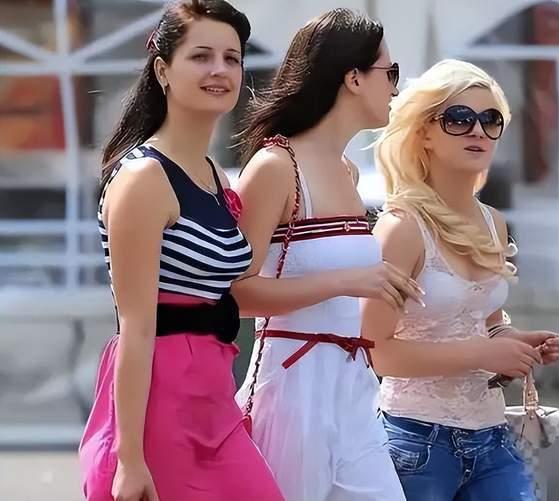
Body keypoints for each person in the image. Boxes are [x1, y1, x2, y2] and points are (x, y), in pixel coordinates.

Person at [78, 2, 283, 500]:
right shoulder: (144, 178)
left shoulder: (216, 177)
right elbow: (135, 327)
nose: (220, 70)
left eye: (232, 58)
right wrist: (129, 458)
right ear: (163, 71)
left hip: (215, 392)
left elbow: (239, 282)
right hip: (159, 400)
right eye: (201, 56)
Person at [233, 8, 421, 501]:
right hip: (292, 387)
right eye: (389, 72)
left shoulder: (346, 171)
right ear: (353, 78)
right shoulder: (275, 166)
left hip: (352, 384)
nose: (395, 87)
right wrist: (348, 282)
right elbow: (236, 294)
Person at [362, 59, 559, 501]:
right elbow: (374, 352)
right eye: (458, 118)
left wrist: (517, 343)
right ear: (424, 132)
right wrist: (484, 353)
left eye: (490, 120)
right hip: (415, 440)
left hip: (492, 437)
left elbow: (486, 324)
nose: (478, 130)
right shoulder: (401, 229)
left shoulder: (494, 222)